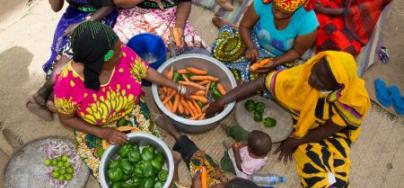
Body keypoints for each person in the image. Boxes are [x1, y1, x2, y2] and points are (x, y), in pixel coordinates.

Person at [206, 51, 371, 187]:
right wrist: (222, 101)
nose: (312, 79)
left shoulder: (352, 101)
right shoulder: (303, 73)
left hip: (327, 129)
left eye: (321, 80)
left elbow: (327, 130)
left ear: (337, 88)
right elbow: (263, 82)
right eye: (315, 71)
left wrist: (295, 141)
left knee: (321, 167)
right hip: (300, 115)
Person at [53, 21, 195, 178]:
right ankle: (170, 159)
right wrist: (102, 132)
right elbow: (67, 120)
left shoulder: (124, 54)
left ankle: (172, 159)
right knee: (115, 174)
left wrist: (179, 87)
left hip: (131, 113)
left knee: (149, 164)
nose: (122, 53)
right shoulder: (66, 84)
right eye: (116, 52)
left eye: (119, 46)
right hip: (95, 127)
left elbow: (147, 72)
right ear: (99, 62)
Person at [26, 0, 118, 121]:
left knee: (76, 55)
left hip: (99, 15)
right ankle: (50, 96)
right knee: (63, 52)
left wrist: (84, 24)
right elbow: (56, 7)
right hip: (73, 16)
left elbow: (109, 5)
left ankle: (46, 95)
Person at [211, 0, 319, 82]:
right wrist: (250, 47)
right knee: (222, 51)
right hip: (253, 41)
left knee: (272, 83)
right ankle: (231, 28)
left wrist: (274, 62)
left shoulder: (308, 22)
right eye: (275, 8)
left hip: (280, 57)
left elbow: (297, 52)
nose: (278, 15)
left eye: (285, 13)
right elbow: (245, 26)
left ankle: (230, 27)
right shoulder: (262, 2)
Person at [153, 115, 260, 188]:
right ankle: (177, 136)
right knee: (201, 161)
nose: (218, 186)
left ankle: (175, 163)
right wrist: (223, 182)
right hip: (214, 180)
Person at [112, 0, 206, 49]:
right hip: (136, 13)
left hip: (169, 14)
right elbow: (120, 2)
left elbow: (185, 2)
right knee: (119, 46)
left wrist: (179, 26)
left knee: (192, 45)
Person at [315, 0, 392, 56]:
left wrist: (323, 10)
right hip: (341, 6)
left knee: (341, 44)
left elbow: (351, 11)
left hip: (353, 24)